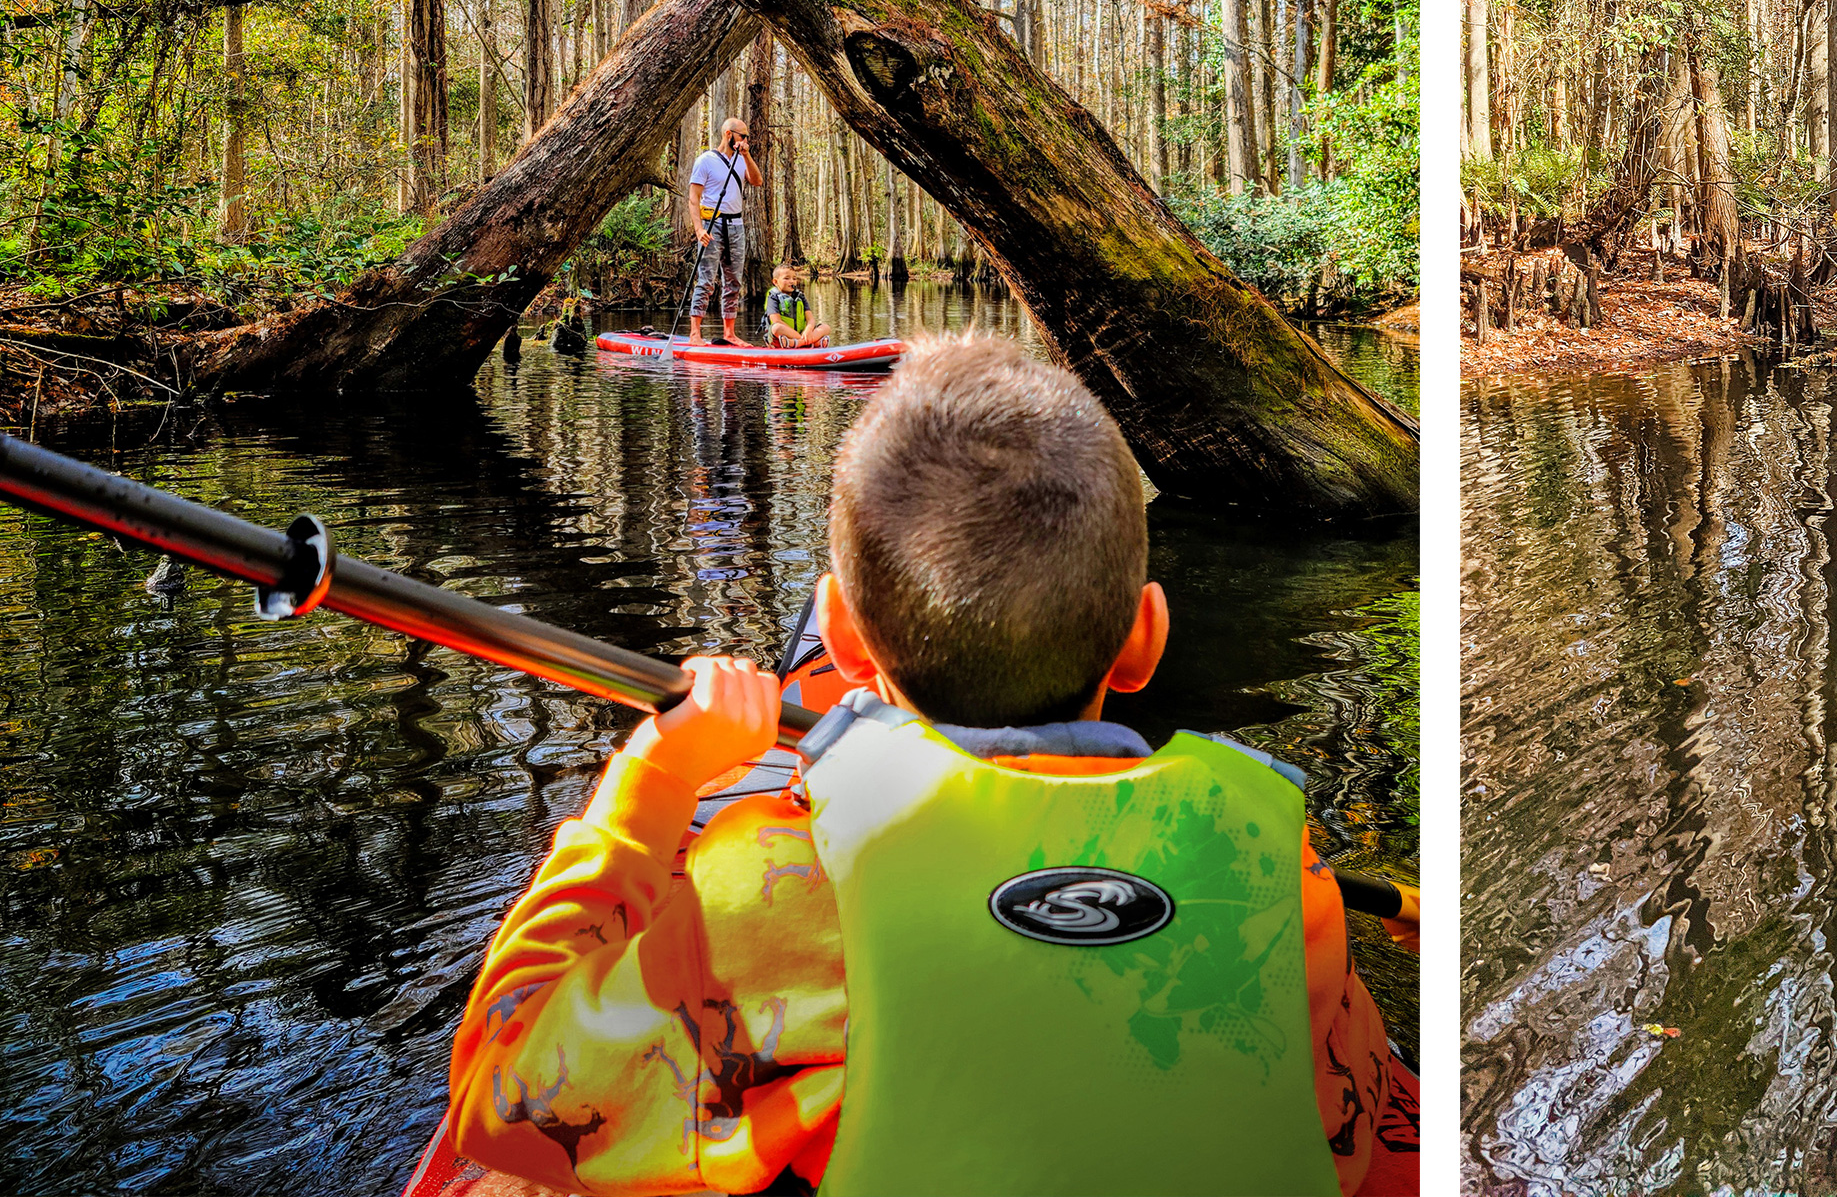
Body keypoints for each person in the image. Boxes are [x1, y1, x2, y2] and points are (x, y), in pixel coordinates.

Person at [439, 334, 1416, 1196]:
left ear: (840, 643)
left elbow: (499, 1093)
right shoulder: (1284, 873)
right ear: (1143, 640)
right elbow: (1356, 1139)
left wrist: (644, 795)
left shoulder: (774, 885)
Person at [682, 118, 754, 344]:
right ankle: (695, 333)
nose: (745, 140)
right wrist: (698, 229)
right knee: (706, 280)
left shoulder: (742, 160)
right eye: (742, 136)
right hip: (712, 226)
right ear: (728, 134)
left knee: (733, 281)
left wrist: (747, 155)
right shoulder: (706, 161)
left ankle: (729, 333)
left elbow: (757, 180)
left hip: (736, 226)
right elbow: (693, 198)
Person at [764, 262, 828, 349]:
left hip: (801, 336)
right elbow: (776, 320)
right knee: (776, 328)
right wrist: (800, 336)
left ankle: (798, 343)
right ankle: (811, 342)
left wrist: (807, 331)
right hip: (782, 337)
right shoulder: (773, 297)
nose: (792, 281)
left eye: (794, 278)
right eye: (786, 278)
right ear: (775, 282)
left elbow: (811, 320)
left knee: (826, 327)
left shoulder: (800, 297)